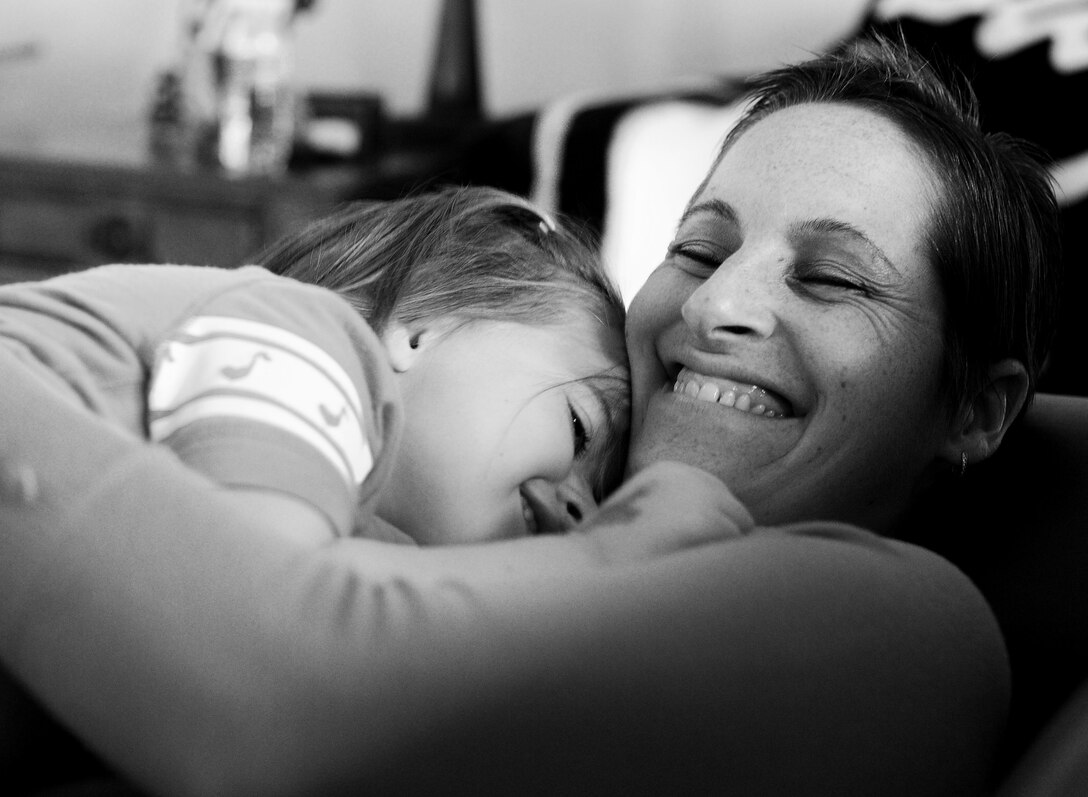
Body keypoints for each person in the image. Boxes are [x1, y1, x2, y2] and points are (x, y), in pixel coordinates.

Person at [0, 33, 1061, 796]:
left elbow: (262, 694)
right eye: (695, 248)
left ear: (975, 406)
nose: (717, 303)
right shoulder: (496, 504)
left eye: (830, 280)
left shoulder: (903, 626)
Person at [0, 185, 746, 553]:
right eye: (581, 427)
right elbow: (265, 610)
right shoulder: (305, 340)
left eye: (600, 495)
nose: (580, 509)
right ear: (418, 329)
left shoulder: (362, 517)